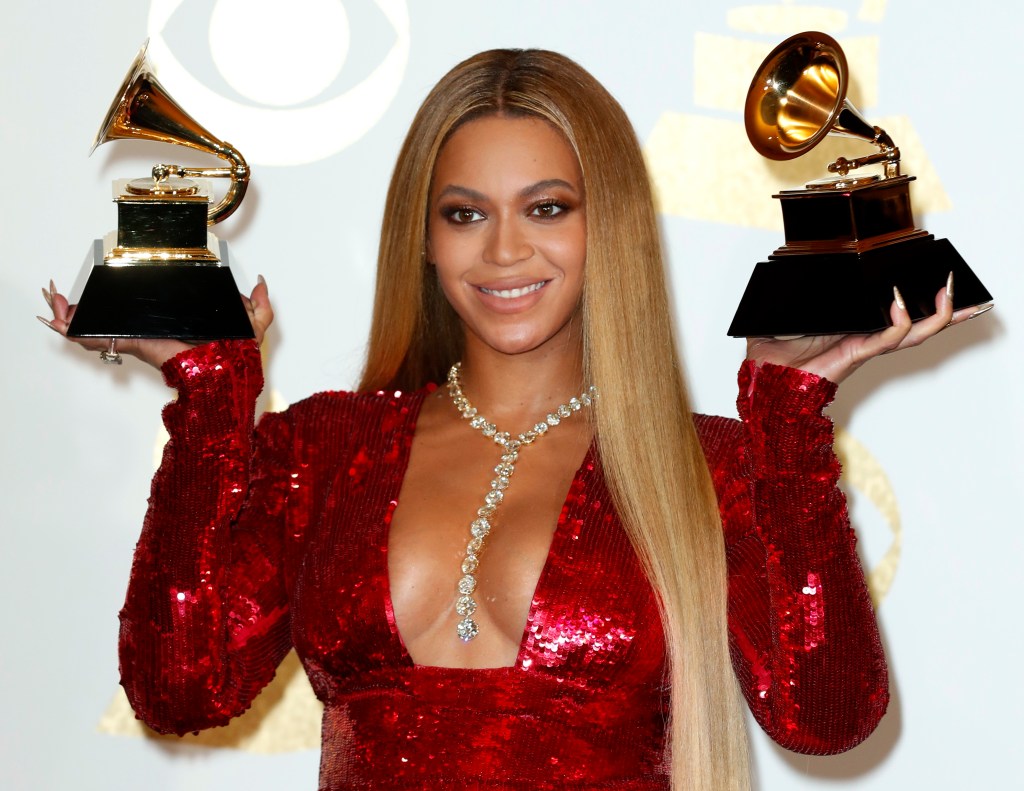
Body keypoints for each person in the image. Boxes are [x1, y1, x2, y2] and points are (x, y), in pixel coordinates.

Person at [39, 49, 987, 791]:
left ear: (604, 222)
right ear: (423, 234)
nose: (503, 250)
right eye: (463, 214)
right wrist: (210, 401)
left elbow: (826, 716)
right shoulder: (325, 449)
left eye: (547, 207)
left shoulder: (711, 468)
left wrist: (789, 415)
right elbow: (180, 687)